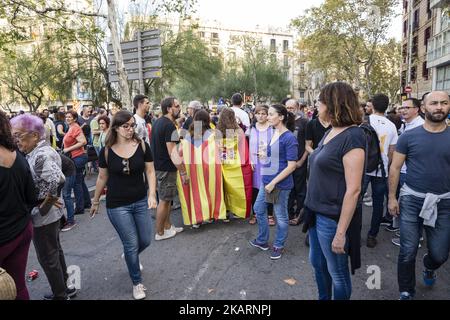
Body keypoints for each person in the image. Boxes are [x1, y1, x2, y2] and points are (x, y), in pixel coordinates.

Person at [304, 82, 366, 300]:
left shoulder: (353, 136)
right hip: (315, 211)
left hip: (332, 217)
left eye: (319, 101)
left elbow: (354, 189)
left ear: (332, 104)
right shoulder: (331, 130)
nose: (316, 105)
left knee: (337, 274)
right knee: (318, 264)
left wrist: (340, 233)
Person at [388, 91, 450, 300]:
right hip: (412, 200)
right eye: (434, 103)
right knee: (407, 250)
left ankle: (429, 265)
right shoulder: (408, 136)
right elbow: (395, 168)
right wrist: (392, 197)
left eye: (444, 103)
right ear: (424, 108)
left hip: (444, 203)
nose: (439, 107)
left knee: (440, 254)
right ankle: (406, 291)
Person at [90, 110, 157, 300]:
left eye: (132, 125)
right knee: (131, 243)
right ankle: (137, 283)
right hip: (117, 205)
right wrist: (95, 201)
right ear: (116, 128)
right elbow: (102, 177)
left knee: (144, 240)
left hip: (140, 200)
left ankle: (130, 255)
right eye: (125, 126)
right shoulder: (106, 150)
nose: (130, 129)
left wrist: (152, 194)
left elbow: (150, 172)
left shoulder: (142, 145)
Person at [10, 114, 77, 300]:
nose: (16, 140)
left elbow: (58, 179)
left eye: (19, 135)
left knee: (48, 257)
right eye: (14, 136)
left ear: (34, 135)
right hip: (50, 213)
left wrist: (44, 206)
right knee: (55, 251)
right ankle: (66, 288)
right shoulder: (37, 151)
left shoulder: (40, 154)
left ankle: (60, 294)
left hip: (45, 216)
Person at [249, 104, 298, 260]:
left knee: (281, 216)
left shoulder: (289, 137)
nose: (267, 117)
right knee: (258, 208)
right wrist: (264, 155)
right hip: (267, 180)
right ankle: (263, 240)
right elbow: (276, 156)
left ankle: (278, 245)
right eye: (267, 114)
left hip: (280, 184)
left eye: (270, 114)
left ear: (281, 117)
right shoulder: (275, 132)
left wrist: (273, 183)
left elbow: (292, 166)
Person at [0, 112, 36, 300]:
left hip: (6, 235)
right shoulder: (17, 154)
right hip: (21, 230)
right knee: (18, 286)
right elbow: (32, 196)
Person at [177, 110, 226, 227]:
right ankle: (208, 215)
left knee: (195, 192)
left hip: (192, 168)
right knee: (209, 191)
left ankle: (197, 219)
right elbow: (219, 151)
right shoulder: (212, 134)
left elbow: (180, 152)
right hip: (208, 168)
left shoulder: (187, 135)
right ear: (207, 120)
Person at [362, 94, 398, 248]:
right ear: (387, 106)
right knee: (378, 204)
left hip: (362, 167)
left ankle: (352, 231)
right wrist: (386, 163)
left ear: (373, 106)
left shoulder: (364, 121)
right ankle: (372, 235)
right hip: (381, 170)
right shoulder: (392, 126)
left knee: (355, 200)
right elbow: (391, 152)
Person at [151, 97, 186, 240]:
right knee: (165, 200)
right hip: (166, 168)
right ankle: (160, 232)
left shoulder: (159, 122)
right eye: (177, 106)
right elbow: (173, 152)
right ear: (169, 109)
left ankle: (168, 226)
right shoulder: (168, 125)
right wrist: (183, 171)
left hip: (161, 167)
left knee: (168, 199)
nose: (179, 108)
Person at [390, 98, 424, 245]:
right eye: (402, 108)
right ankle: (414, 235)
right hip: (403, 171)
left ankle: (411, 238)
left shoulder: (421, 127)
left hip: (410, 173)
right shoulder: (407, 125)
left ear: (417, 109)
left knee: (410, 208)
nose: (403, 110)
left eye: (407, 108)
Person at [217, 107, 253, 221]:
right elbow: (243, 149)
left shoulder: (217, 131)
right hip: (236, 165)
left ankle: (225, 213)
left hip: (223, 164)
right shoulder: (238, 131)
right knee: (236, 189)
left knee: (224, 189)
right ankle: (237, 211)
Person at [61, 110, 89, 231]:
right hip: (77, 157)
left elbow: (83, 142)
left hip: (77, 157)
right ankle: (86, 203)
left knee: (77, 183)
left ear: (75, 118)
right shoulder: (71, 127)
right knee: (80, 181)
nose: (67, 118)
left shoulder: (75, 127)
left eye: (70, 117)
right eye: (66, 117)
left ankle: (80, 207)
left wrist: (68, 149)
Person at [248, 105, 275, 225]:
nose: (260, 116)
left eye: (263, 113)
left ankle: (269, 214)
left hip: (268, 163)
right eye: (258, 113)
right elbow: (247, 146)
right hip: (255, 163)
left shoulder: (273, 129)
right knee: (255, 188)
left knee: (268, 188)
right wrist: (251, 160)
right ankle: (255, 213)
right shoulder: (251, 128)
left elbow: (276, 146)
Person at [286, 99, 309, 225]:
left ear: (298, 107)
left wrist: (301, 161)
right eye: (287, 108)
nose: (289, 110)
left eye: (291, 107)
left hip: (300, 162)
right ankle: (289, 214)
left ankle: (300, 214)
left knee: (300, 190)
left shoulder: (305, 122)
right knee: (288, 189)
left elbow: (308, 144)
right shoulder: (284, 122)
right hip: (286, 163)